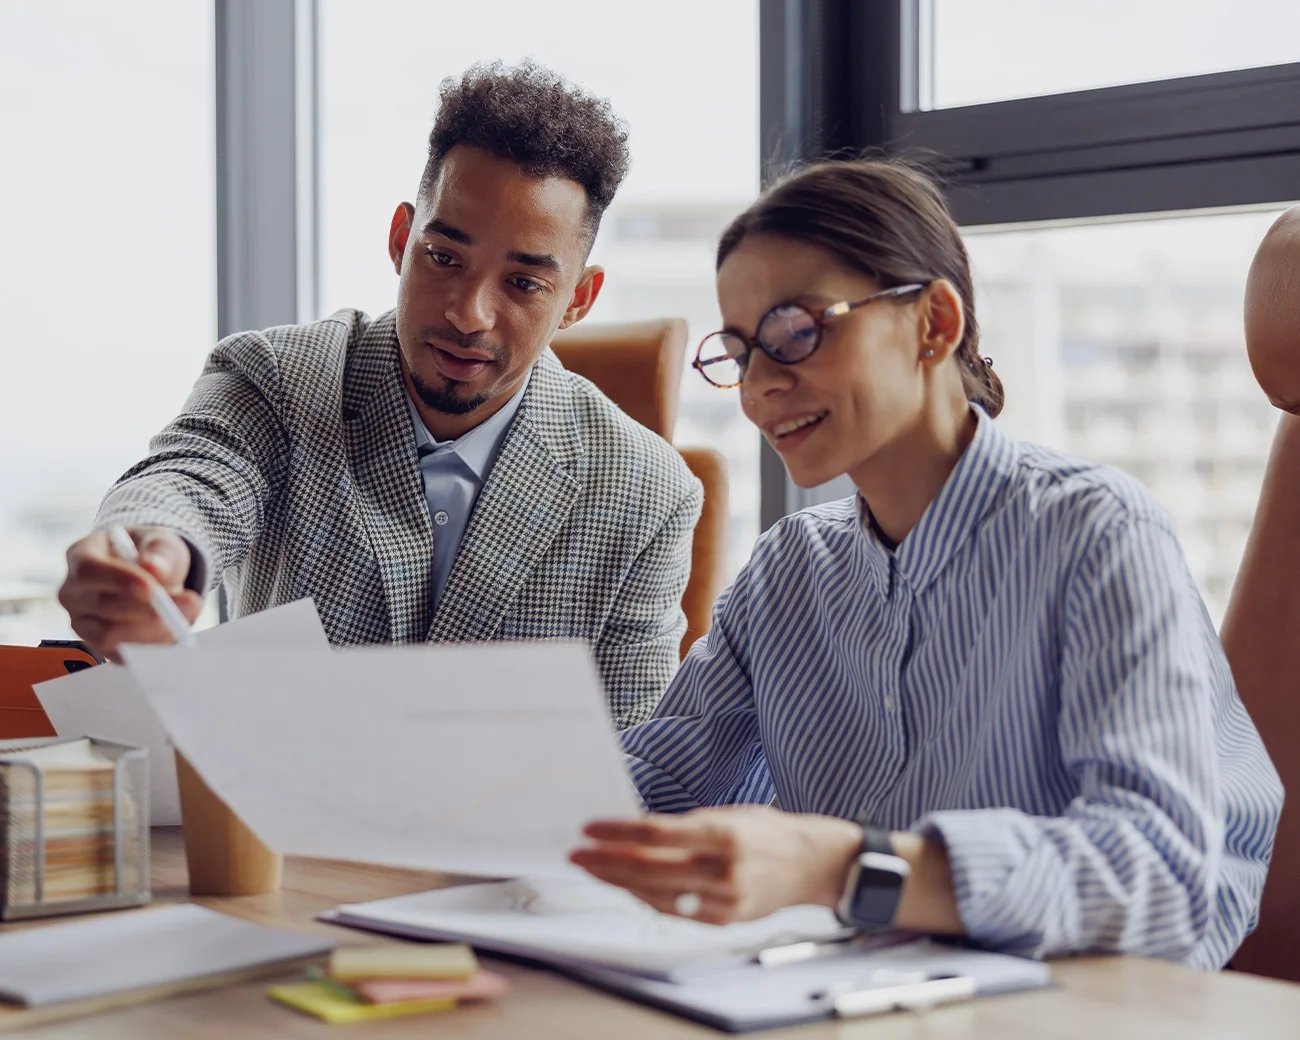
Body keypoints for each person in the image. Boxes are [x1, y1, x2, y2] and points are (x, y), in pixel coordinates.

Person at [571, 158, 1283, 967]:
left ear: (933, 325)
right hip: (852, 993)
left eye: (796, 331)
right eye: (739, 352)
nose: (759, 386)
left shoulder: (1095, 534)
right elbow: (657, 786)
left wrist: (844, 868)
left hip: (1081, 1005)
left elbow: (1159, 878)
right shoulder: (788, 572)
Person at [58, 62, 702, 728]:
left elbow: (637, 762)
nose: (469, 315)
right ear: (401, 240)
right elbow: (189, 481)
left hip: (514, 833)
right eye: (444, 258)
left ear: (578, 300)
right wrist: (154, 549)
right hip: (279, 821)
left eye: (523, 284)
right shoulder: (277, 378)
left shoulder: (649, 492)